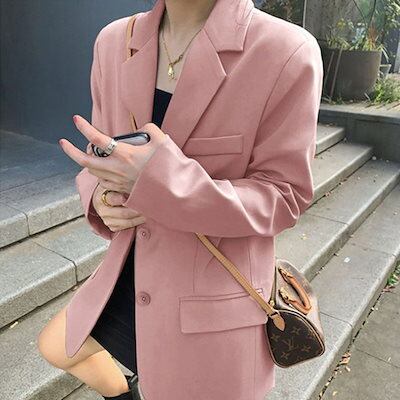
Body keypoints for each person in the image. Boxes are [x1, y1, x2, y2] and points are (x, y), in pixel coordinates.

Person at [37, 0, 324, 399]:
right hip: (129, 275)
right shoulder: (113, 42)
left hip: (211, 303)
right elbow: (104, 152)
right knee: (56, 345)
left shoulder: (285, 51)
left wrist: (163, 182)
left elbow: (284, 195)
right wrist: (99, 195)